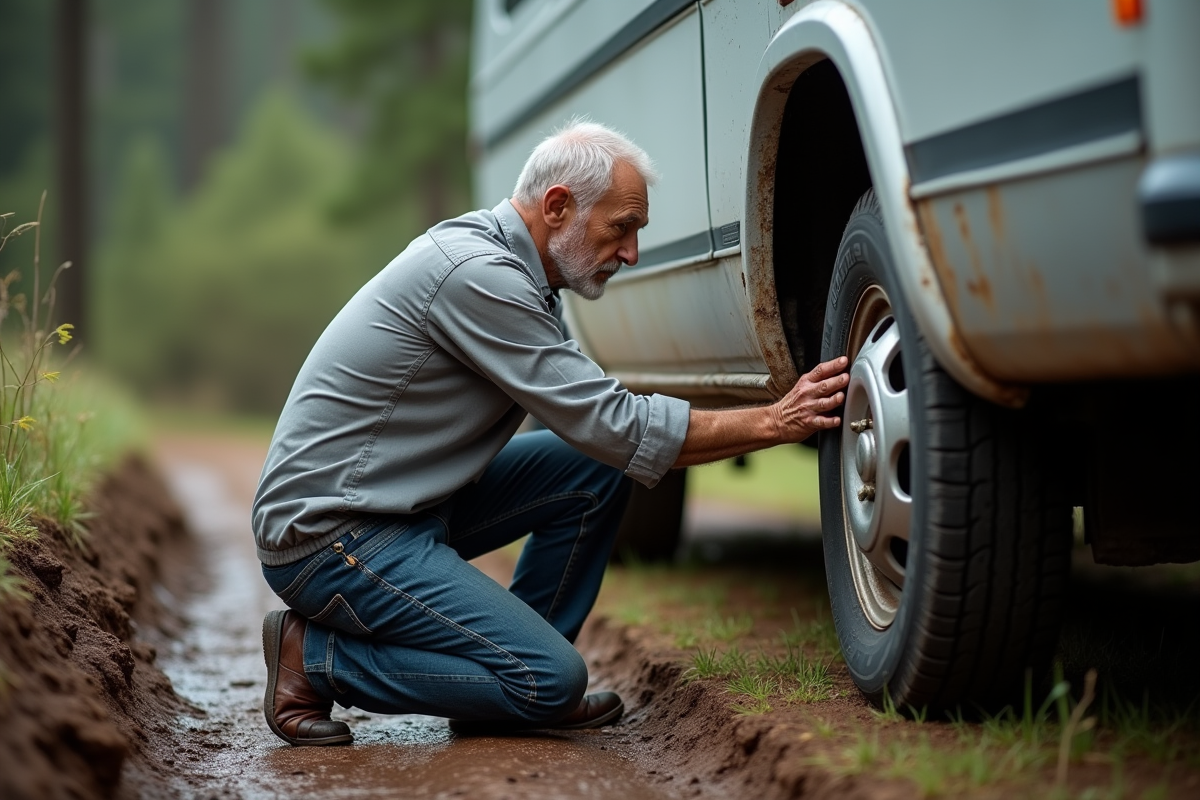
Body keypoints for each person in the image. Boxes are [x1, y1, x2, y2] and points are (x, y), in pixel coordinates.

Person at [253, 120, 849, 746]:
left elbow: (597, 433)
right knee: (551, 680)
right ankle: (315, 659)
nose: (631, 253)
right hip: (330, 534)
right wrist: (774, 420)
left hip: (398, 506)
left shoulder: (516, 270)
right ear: (558, 206)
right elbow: (612, 423)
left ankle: (504, 683)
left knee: (593, 470)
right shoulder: (478, 275)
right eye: (621, 227)